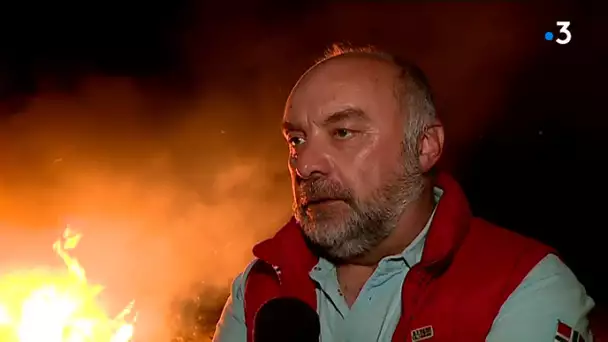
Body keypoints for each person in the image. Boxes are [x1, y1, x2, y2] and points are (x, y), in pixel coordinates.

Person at [212, 45, 595, 341]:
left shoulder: (524, 282)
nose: (305, 164)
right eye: (296, 140)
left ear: (426, 145)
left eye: (343, 132)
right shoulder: (260, 283)